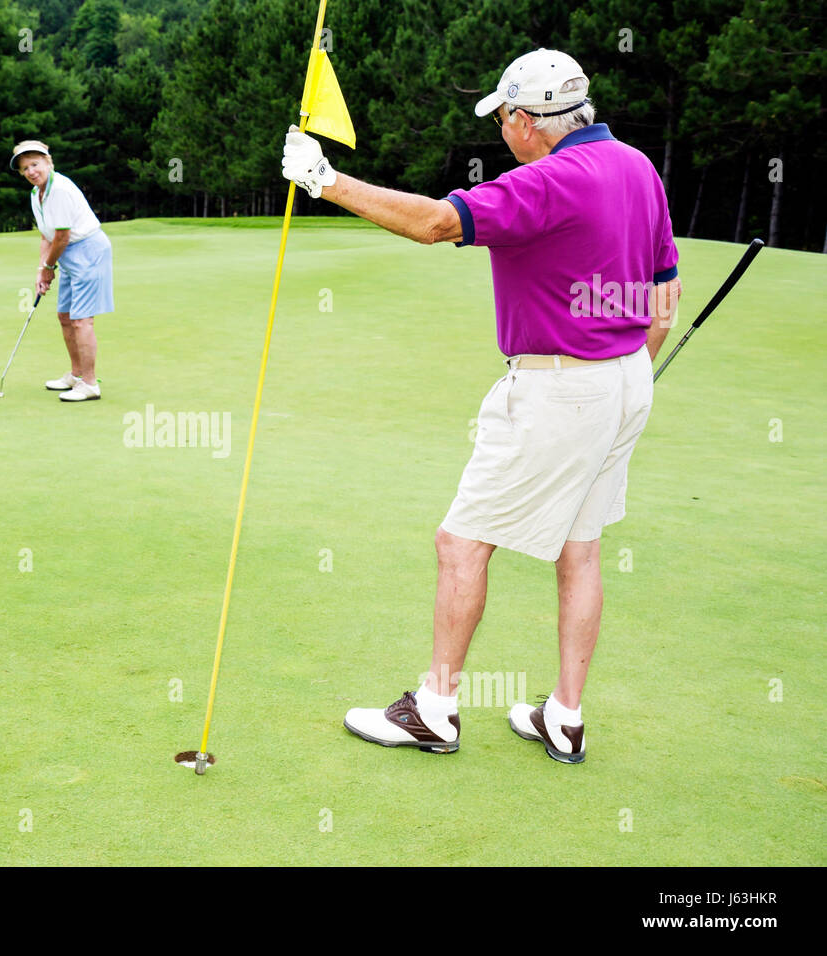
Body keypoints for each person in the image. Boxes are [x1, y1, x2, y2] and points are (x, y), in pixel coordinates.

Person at [281, 49, 682, 763]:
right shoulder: (637, 166)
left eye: (503, 118)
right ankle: (564, 714)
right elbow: (663, 303)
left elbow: (436, 224)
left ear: (529, 121)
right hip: (626, 380)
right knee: (579, 548)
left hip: (560, 387)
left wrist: (324, 180)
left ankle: (434, 710)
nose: (501, 131)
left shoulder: (547, 180)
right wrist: (622, 380)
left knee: (461, 541)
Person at [11, 140, 113, 402]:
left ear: (48, 162)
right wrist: (40, 270)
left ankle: (90, 384)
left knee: (81, 320)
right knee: (65, 316)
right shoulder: (37, 194)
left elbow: (63, 237)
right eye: (25, 168)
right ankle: (76, 375)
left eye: (35, 164)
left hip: (88, 251)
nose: (31, 171)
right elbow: (47, 236)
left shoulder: (60, 190)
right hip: (67, 255)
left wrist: (48, 268)